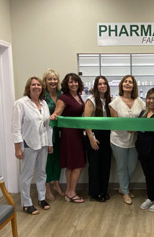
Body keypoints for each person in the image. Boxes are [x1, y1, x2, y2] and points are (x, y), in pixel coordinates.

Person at [12, 76, 53, 215]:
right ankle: (27, 203)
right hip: (28, 143)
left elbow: (48, 126)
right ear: (28, 87)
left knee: (42, 172)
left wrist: (50, 143)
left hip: (43, 143)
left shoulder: (44, 103)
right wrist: (17, 147)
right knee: (27, 175)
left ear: (42, 88)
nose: (36, 87)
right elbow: (16, 128)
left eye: (39, 85)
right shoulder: (21, 103)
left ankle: (42, 198)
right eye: (33, 85)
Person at [109, 75, 146, 205]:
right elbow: (114, 122)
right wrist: (126, 128)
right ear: (122, 85)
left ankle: (122, 187)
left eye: (130, 82)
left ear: (134, 85)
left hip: (135, 140)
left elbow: (144, 119)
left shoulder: (140, 102)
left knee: (131, 166)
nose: (128, 84)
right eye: (125, 81)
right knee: (121, 167)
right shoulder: (115, 102)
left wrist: (135, 129)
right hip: (118, 140)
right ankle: (125, 192)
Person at [51, 73, 86, 203]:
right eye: (71, 82)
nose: (73, 84)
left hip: (77, 133)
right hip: (69, 134)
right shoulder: (64, 97)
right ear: (66, 84)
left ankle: (69, 192)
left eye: (76, 82)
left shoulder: (78, 96)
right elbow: (57, 112)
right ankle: (71, 192)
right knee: (76, 164)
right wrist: (54, 116)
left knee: (72, 164)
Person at [84, 76, 112, 202]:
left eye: (104, 83)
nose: (102, 86)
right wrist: (91, 138)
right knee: (95, 165)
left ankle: (104, 191)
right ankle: (95, 193)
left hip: (107, 135)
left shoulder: (110, 100)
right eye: (100, 84)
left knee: (106, 164)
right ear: (96, 86)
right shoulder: (91, 100)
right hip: (94, 135)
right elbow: (86, 121)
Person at [42, 68, 64, 201]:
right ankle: (47, 188)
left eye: (55, 79)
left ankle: (56, 184)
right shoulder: (42, 96)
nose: (53, 81)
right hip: (46, 132)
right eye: (50, 79)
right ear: (45, 81)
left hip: (60, 132)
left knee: (57, 159)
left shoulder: (62, 94)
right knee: (47, 161)